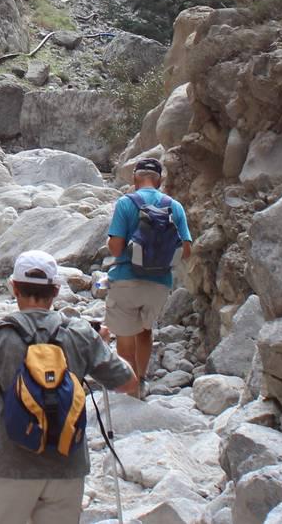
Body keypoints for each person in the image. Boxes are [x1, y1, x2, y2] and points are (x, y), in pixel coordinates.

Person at [0, 250, 138, 524]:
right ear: (56, 290)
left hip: (9, 466)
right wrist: (101, 345)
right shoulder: (80, 333)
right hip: (67, 466)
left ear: (14, 288)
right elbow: (128, 382)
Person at [104, 158, 193, 390]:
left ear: (135, 178)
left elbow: (115, 247)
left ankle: (129, 386)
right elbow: (186, 250)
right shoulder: (175, 206)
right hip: (159, 283)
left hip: (126, 279)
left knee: (124, 335)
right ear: (160, 180)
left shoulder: (125, 203)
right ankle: (141, 379)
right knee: (145, 330)